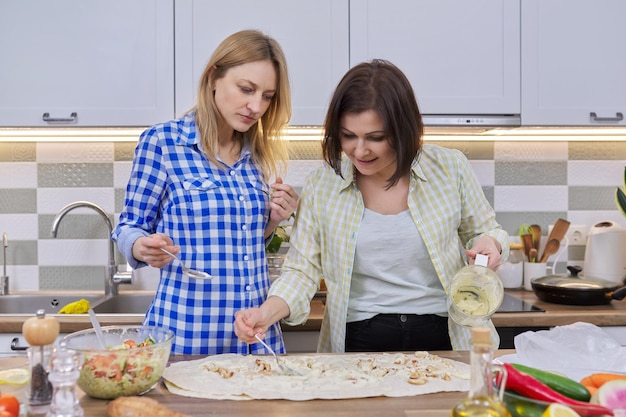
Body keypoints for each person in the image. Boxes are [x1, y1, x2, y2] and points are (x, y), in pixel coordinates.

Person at [234, 59, 509, 353]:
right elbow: (302, 271)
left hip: (448, 336)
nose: (360, 150)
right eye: (348, 136)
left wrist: (490, 243)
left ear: (404, 130)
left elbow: (485, 231)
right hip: (358, 342)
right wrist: (266, 313)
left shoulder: (449, 168)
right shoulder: (322, 184)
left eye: (375, 138)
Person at [112, 30, 298, 355]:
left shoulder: (257, 152)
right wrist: (142, 246)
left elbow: (244, 243)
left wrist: (272, 221)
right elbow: (128, 227)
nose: (256, 106)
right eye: (246, 89)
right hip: (187, 339)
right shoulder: (164, 143)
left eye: (267, 96)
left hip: (255, 340)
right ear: (214, 77)